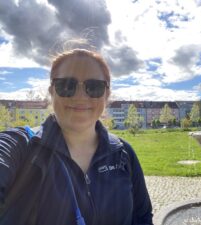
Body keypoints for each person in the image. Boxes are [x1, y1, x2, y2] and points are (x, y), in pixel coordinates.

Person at [0, 49, 153, 225]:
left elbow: (142, 217)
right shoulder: (21, 146)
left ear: (107, 94)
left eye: (94, 87)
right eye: (66, 85)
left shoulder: (123, 152)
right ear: (52, 91)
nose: (80, 96)